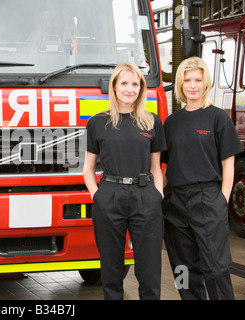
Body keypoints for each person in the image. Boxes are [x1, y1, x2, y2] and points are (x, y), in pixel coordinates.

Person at [161, 57, 243, 300]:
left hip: (208, 198)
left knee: (215, 268)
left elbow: (228, 164)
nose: (192, 85)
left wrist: (222, 201)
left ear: (205, 82)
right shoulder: (171, 122)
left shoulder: (217, 118)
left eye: (197, 79)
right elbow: (167, 165)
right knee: (183, 268)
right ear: (180, 84)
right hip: (175, 201)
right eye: (187, 80)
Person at [83, 62, 166, 300]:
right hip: (109, 195)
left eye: (135, 84)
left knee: (149, 272)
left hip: (145, 197)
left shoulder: (151, 122)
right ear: (114, 86)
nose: (130, 89)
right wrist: (97, 195)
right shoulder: (98, 122)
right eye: (124, 83)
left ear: (141, 88)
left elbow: (156, 168)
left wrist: (156, 195)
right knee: (111, 271)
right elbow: (88, 169)